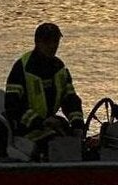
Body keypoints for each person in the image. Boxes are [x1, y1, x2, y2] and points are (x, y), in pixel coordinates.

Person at [5, 22, 85, 154]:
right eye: (47, 42)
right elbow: (12, 107)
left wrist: (78, 125)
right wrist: (41, 122)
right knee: (59, 146)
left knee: (75, 143)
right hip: (26, 130)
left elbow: (71, 100)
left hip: (50, 126)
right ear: (37, 42)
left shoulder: (59, 68)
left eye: (55, 41)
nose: (52, 46)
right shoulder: (22, 68)